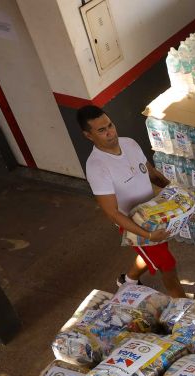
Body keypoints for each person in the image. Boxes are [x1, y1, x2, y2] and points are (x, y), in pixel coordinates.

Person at [78, 104, 185, 298]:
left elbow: (152, 174)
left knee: (155, 253)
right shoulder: (97, 167)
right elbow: (112, 213)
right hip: (134, 224)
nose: (110, 132)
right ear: (88, 135)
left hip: (154, 213)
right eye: (102, 130)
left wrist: (178, 193)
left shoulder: (129, 143)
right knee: (167, 264)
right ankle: (183, 304)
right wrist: (148, 235)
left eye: (110, 125)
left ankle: (128, 280)